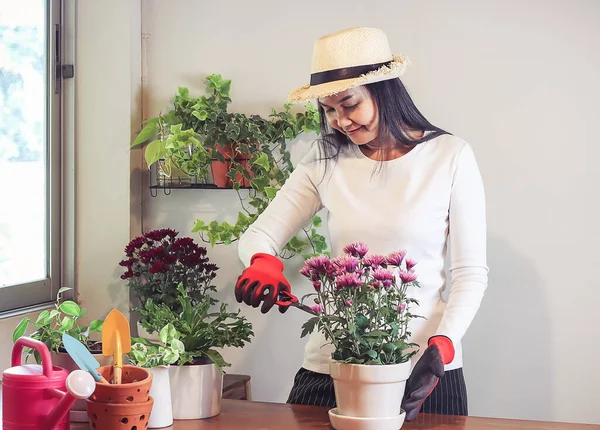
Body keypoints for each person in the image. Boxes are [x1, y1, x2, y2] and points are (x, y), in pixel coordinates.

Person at [234, 26, 488, 421]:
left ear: (383, 89)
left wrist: (445, 344)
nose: (339, 121)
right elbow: (259, 235)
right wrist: (262, 262)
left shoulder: (449, 156)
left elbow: (470, 274)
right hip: (333, 367)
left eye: (348, 104)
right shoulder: (325, 159)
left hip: (424, 370)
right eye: (328, 110)